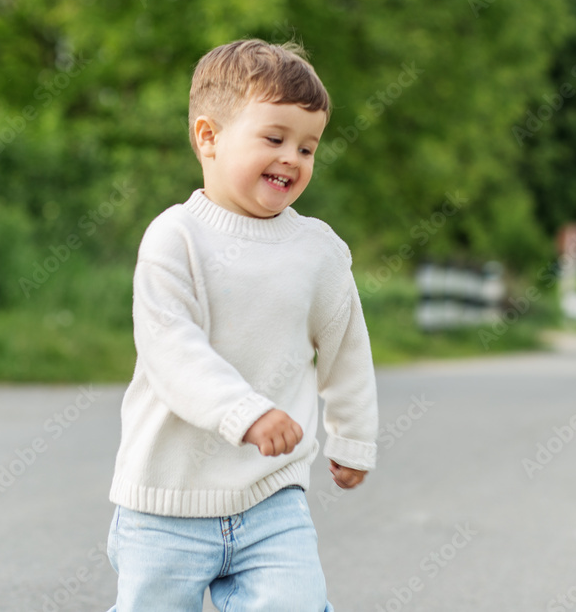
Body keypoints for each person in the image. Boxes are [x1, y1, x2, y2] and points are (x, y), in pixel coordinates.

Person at [105, 38, 378, 611]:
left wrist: (353, 437)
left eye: (308, 147)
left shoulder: (317, 251)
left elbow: (346, 348)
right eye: (274, 138)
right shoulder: (175, 239)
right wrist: (245, 411)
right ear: (208, 137)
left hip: (270, 499)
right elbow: (171, 349)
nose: (292, 158)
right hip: (165, 500)